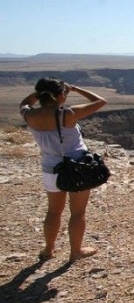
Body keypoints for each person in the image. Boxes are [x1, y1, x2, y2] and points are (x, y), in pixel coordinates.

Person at [19, 77, 107, 262]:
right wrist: (75, 88)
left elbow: (25, 103)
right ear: (60, 95)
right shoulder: (67, 114)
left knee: (53, 212)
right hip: (77, 169)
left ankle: (48, 250)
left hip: (51, 169)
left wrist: (41, 92)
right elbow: (100, 101)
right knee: (77, 213)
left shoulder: (29, 115)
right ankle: (76, 251)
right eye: (64, 93)